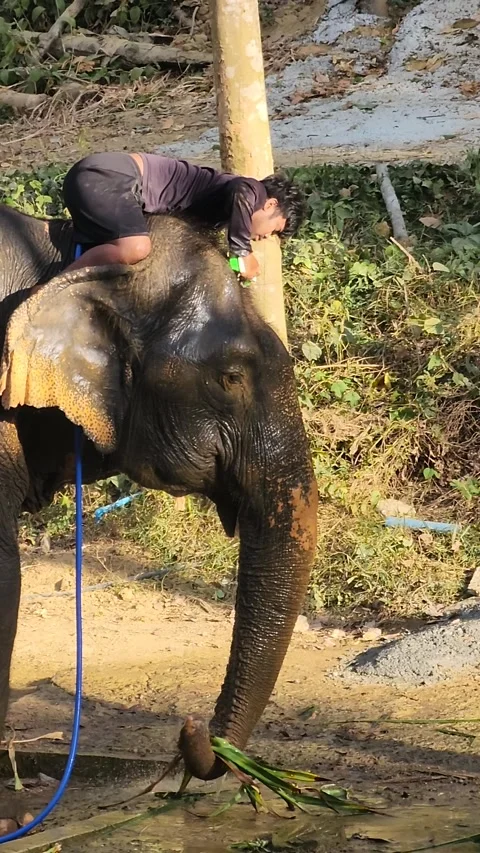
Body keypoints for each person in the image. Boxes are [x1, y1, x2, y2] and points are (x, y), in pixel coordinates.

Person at [61, 152, 307, 280]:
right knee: (136, 247)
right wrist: (242, 252)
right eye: (274, 229)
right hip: (110, 176)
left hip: (108, 186)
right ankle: (56, 288)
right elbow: (240, 192)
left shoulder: (219, 214)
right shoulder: (252, 189)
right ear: (270, 204)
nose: (265, 237)